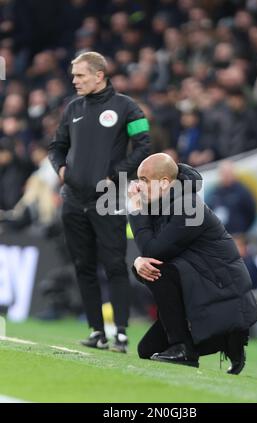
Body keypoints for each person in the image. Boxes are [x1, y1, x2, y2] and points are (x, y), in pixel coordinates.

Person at [48, 51, 150, 353]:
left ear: (98, 75)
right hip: (73, 199)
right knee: (83, 266)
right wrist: (61, 169)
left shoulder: (127, 107)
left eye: (80, 75)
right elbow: (57, 146)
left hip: (108, 199)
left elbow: (144, 145)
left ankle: (120, 331)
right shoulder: (73, 107)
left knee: (115, 265)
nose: (74, 81)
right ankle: (96, 331)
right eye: (73, 76)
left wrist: (116, 174)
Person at [128, 153, 257, 374]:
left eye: (144, 180)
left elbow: (154, 252)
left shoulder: (188, 206)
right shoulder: (162, 203)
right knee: (147, 349)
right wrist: (138, 261)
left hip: (217, 286)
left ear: (164, 182)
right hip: (196, 281)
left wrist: (135, 210)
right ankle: (228, 340)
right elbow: (150, 253)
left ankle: (185, 348)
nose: (138, 186)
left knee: (157, 270)